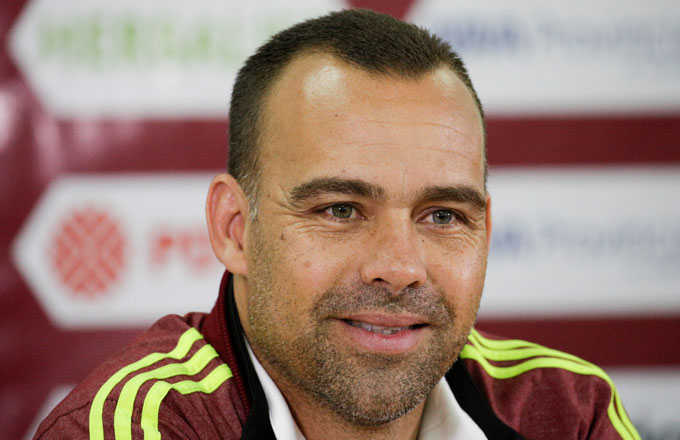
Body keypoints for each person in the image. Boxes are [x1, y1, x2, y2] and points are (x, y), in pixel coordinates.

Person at [34, 9, 640, 440]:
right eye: (340, 210)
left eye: (443, 215)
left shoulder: (567, 412)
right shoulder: (131, 428)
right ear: (235, 228)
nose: (400, 269)